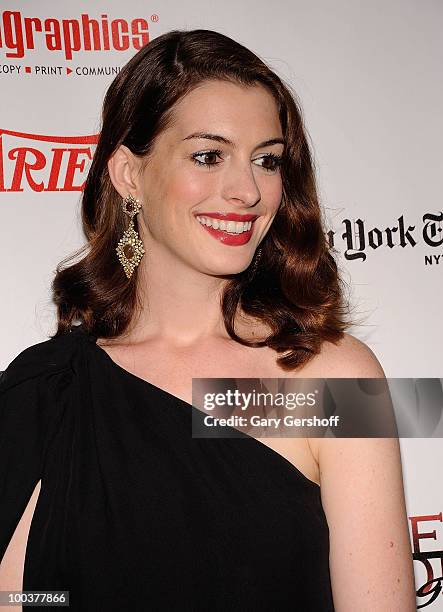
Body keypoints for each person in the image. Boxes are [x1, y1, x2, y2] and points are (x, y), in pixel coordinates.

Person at [0, 29, 416, 611]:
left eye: (266, 160)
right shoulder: (49, 387)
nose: (246, 190)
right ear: (127, 174)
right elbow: (21, 596)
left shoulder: (333, 380)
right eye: (207, 155)